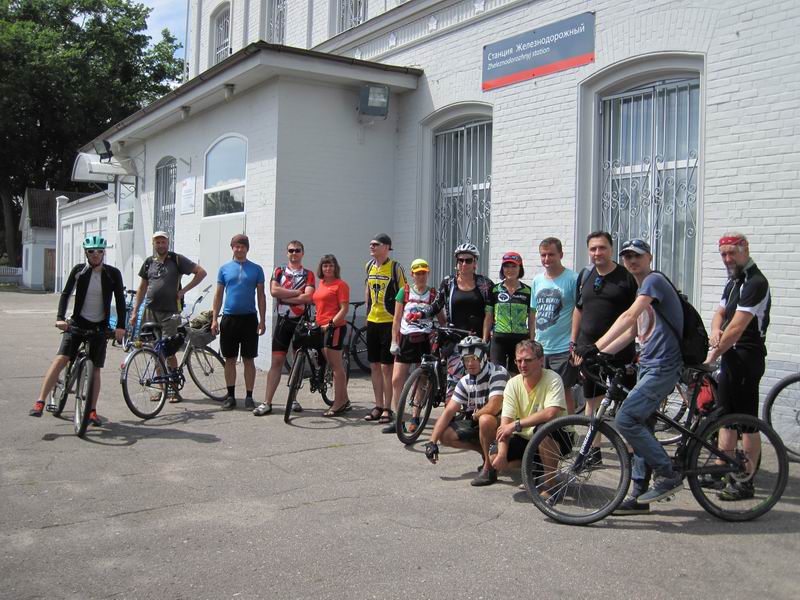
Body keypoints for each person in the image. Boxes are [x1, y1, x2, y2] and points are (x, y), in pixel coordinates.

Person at [580, 238, 685, 513]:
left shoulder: (654, 282)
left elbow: (628, 317)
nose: (631, 261)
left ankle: (668, 472)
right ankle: (639, 494)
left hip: (663, 366)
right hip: (647, 366)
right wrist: (600, 354)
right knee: (642, 428)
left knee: (626, 418)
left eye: (637, 256)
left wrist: (595, 345)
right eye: (627, 257)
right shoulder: (642, 290)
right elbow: (630, 333)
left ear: (649, 257)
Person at [29, 236, 125, 425]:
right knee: (61, 359)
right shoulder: (79, 271)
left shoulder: (112, 273)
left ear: (104, 252)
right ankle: (40, 401)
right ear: (86, 253)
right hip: (77, 323)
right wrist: (59, 318)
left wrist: (121, 326)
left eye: (99, 251)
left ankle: (91, 411)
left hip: (99, 326)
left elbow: (120, 300)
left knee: (96, 369)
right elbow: (65, 294)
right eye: (91, 251)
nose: (95, 254)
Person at [704, 232, 771, 501]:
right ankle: (723, 470)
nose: (728, 258)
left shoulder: (756, 282)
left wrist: (711, 356)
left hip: (747, 357)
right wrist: (714, 330)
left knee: (747, 423)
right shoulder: (734, 281)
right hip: (730, 355)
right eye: (723, 254)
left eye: (732, 253)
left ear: (745, 249)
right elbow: (721, 313)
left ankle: (745, 480)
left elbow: (738, 326)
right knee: (725, 417)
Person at [571, 231, 637, 465]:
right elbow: (578, 309)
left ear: (611, 249)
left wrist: (606, 348)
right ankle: (593, 452)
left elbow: (634, 318)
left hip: (619, 352)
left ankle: (630, 454)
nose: (597, 253)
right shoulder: (587, 275)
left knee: (626, 406)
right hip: (588, 352)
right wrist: (574, 342)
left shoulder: (627, 277)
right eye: (593, 249)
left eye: (602, 248)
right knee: (592, 402)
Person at [130, 231, 207, 402]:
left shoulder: (176, 260)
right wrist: (135, 311)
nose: (161, 245)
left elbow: (201, 272)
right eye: (157, 242)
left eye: (163, 242)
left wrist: (183, 291)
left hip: (170, 312)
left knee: (169, 351)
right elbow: (142, 288)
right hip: (150, 311)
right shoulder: (149, 262)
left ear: (168, 242)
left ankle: (173, 389)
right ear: (153, 244)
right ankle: (160, 388)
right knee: (154, 350)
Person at [424, 336, 507, 487]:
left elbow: (494, 406)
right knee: (445, 435)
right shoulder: (465, 381)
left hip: (504, 426)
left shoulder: (498, 372)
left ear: (484, 357)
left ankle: (489, 469)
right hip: (481, 424)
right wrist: (432, 441)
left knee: (485, 419)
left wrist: (476, 414)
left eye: (474, 358)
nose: (470, 363)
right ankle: (485, 452)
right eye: (466, 359)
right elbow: (449, 411)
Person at [491, 340, 568, 491]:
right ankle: (536, 467)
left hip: (556, 435)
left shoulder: (553, 378)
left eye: (527, 360)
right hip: (526, 437)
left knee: (543, 429)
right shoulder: (512, 384)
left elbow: (551, 413)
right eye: (518, 361)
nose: (522, 365)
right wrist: (501, 454)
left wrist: (516, 424)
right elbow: (505, 424)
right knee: (495, 458)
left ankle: (550, 485)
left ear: (540, 360)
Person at [254, 240, 315, 416]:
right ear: (287, 253)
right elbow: (274, 291)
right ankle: (267, 402)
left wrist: (286, 296)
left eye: (297, 250)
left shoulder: (308, 274)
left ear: (302, 253)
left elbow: (309, 297)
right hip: (283, 322)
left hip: (300, 323)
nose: (294, 253)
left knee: (297, 362)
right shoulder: (279, 270)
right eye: (291, 251)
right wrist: (297, 293)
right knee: (277, 363)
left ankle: (293, 398)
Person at [385, 258, 442, 434]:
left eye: (423, 273)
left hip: (425, 340)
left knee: (421, 380)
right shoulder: (405, 291)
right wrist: (394, 341)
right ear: (412, 274)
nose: (421, 276)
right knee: (396, 379)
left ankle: (416, 417)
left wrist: (438, 337)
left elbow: (442, 319)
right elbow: (396, 319)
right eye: (417, 273)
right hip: (406, 339)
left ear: (427, 273)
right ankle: (398, 418)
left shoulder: (433, 294)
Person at [211, 234, 267, 410]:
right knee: (230, 359)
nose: (240, 249)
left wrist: (263, 320)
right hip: (229, 319)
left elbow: (261, 295)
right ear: (232, 248)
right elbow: (218, 295)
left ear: (247, 248)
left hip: (250, 319)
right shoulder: (224, 269)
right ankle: (231, 396)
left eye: (243, 246)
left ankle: (249, 397)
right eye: (236, 246)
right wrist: (214, 319)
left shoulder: (256, 269)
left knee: (249, 359)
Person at [531, 238, 580, 414]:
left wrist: (574, 342)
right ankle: (547, 432)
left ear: (560, 254)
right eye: (543, 255)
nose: (546, 259)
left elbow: (579, 311)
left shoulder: (572, 279)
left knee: (564, 391)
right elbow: (533, 312)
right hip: (541, 348)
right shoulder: (537, 280)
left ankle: (569, 430)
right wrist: (531, 342)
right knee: (541, 391)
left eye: (551, 254)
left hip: (562, 347)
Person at [363, 233, 406, 425]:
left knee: (386, 368)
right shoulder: (369, 266)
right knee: (373, 366)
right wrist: (366, 314)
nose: (371, 247)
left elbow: (404, 293)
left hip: (389, 322)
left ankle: (388, 408)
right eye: (371, 244)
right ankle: (378, 405)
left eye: (376, 244)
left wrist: (400, 323)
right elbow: (368, 290)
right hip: (373, 320)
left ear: (386, 247)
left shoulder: (396, 268)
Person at [312, 254, 352, 417]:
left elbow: (344, 309)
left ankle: (338, 404)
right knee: (331, 363)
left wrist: (331, 324)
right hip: (321, 327)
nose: (327, 268)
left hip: (333, 328)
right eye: (325, 266)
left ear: (336, 268)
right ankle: (345, 399)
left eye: (330, 265)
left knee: (336, 367)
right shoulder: (321, 283)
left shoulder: (340, 285)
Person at [487, 251, 533, 374]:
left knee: (517, 377)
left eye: (514, 266)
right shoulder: (494, 290)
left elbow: (532, 318)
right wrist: (484, 339)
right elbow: (488, 317)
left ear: (520, 268)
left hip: (520, 340)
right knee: (497, 375)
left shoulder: (528, 291)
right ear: (502, 269)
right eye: (506, 266)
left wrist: (532, 341)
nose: (510, 269)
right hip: (499, 339)